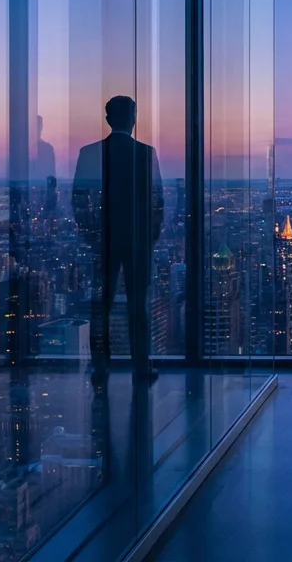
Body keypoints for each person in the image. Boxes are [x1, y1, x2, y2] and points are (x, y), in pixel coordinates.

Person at [73, 96, 164, 385]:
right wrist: (149, 238)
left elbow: (79, 201)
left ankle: (100, 367)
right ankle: (141, 368)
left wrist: (92, 238)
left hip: (104, 242)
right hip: (137, 242)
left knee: (101, 307)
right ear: (133, 118)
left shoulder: (89, 153)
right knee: (138, 307)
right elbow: (157, 201)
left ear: (108, 119)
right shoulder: (145, 153)